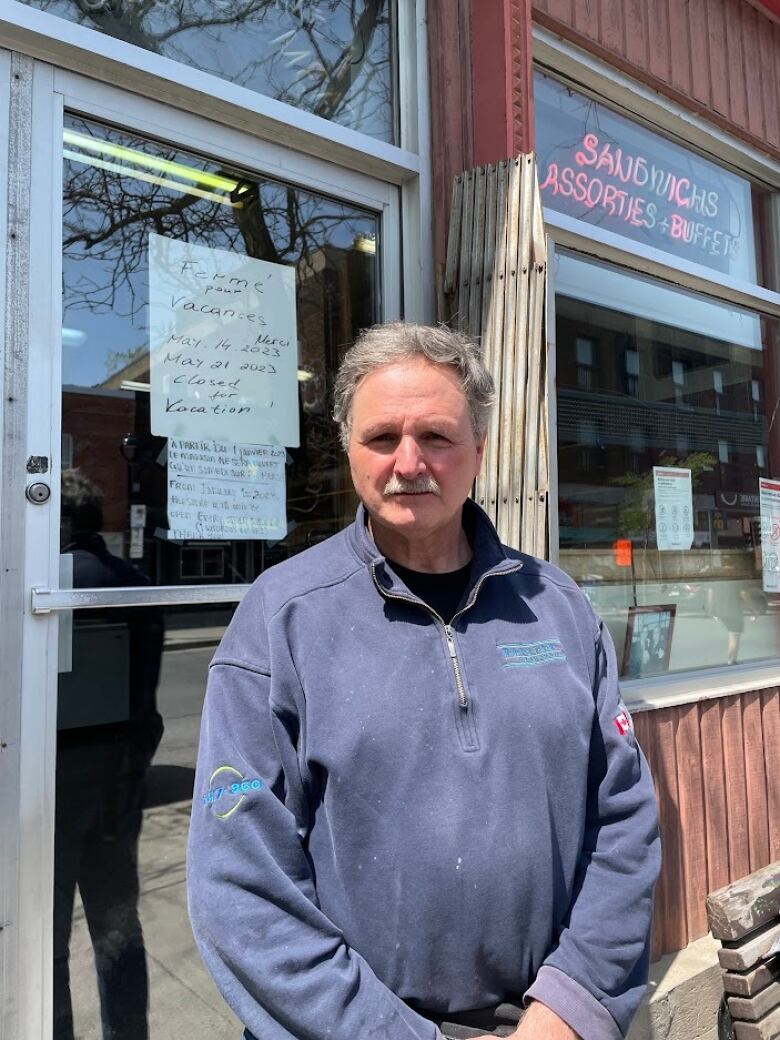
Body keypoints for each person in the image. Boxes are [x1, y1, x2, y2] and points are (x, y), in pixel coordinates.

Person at [187, 323, 660, 1040]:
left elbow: (623, 820)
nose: (409, 463)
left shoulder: (558, 608)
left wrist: (571, 1008)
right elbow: (239, 884)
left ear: (479, 449)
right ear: (350, 450)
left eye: (436, 437)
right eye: (382, 438)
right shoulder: (281, 620)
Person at [55, 470, 164, 1040]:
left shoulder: (38, 587)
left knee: (44, 938)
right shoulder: (133, 582)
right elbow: (147, 705)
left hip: (48, 788)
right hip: (117, 787)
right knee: (118, 930)